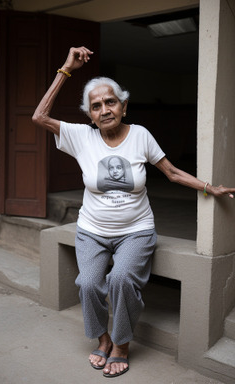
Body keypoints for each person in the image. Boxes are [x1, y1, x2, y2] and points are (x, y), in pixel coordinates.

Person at [32, 46, 235, 378]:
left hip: (135, 231)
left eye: (110, 102)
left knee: (122, 278)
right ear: (90, 115)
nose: (104, 109)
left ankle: (122, 344)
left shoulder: (140, 135)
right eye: (96, 106)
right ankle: (103, 337)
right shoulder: (81, 136)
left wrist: (208, 187)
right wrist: (66, 69)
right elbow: (39, 117)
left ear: (123, 106)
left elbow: (171, 172)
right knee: (87, 283)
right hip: (91, 231)